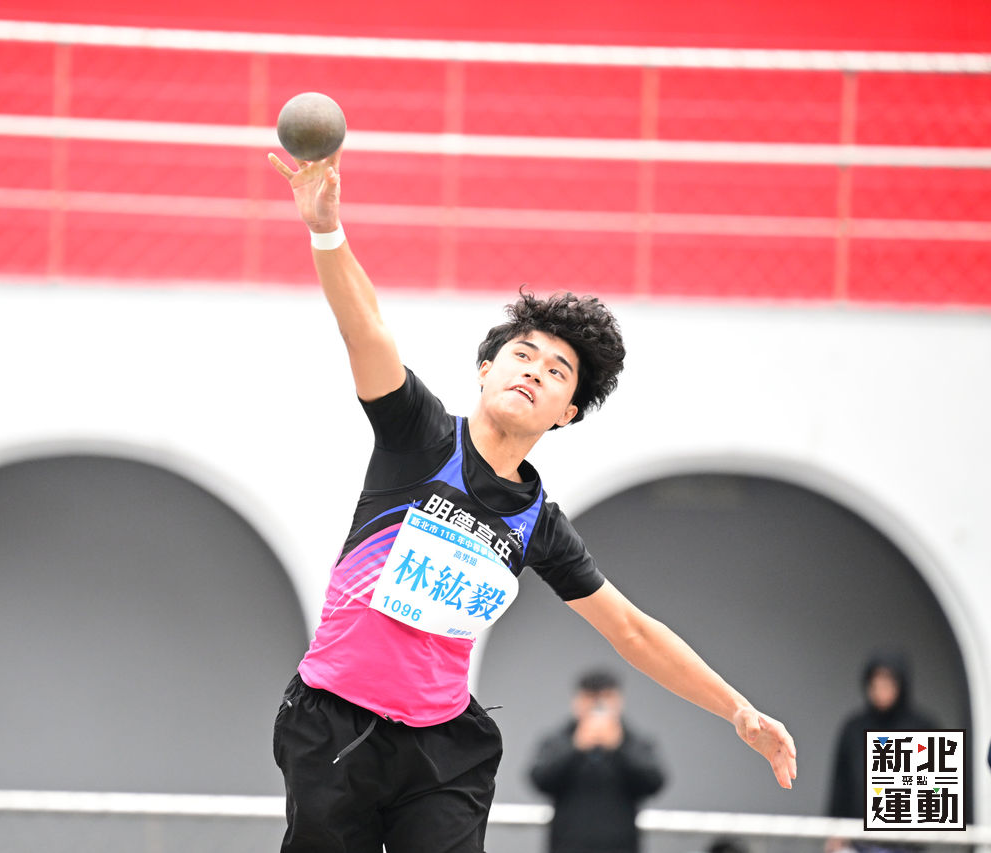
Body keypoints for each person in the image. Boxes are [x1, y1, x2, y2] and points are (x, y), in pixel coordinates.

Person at [267, 145, 797, 853]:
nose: (534, 372)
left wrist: (737, 710)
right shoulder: (419, 437)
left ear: (566, 413)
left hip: (443, 748)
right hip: (334, 722)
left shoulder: (537, 523)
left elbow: (632, 631)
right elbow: (366, 330)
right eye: (522, 354)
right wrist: (327, 231)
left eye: (557, 371)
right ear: (486, 369)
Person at [529, 669, 666, 853]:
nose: (597, 707)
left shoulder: (634, 741)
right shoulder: (559, 740)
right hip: (568, 846)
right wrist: (576, 747)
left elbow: (654, 782)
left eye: (606, 697)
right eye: (590, 697)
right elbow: (539, 779)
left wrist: (619, 748)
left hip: (621, 847)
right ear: (576, 701)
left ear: (619, 700)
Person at [825, 652, 939, 850]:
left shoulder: (923, 728)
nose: (881, 689)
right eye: (876, 682)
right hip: (859, 840)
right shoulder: (854, 729)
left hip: (907, 842)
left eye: (887, 682)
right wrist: (834, 829)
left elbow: (937, 785)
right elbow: (841, 785)